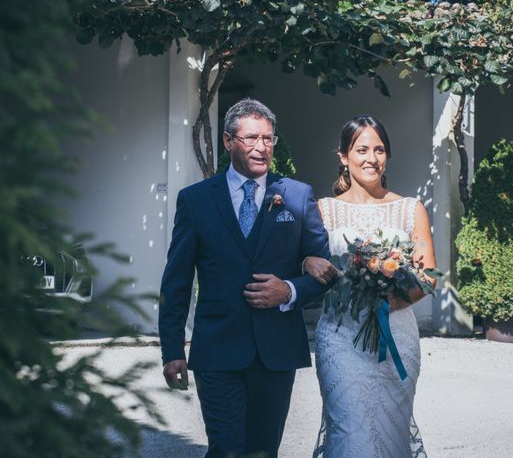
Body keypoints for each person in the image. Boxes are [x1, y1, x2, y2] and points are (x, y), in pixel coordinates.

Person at [158, 98, 330, 458]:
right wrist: (172, 349)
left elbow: (325, 271)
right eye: (251, 138)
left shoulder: (297, 197)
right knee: (227, 450)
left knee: (263, 452)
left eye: (268, 139)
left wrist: (289, 291)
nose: (261, 147)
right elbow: (176, 280)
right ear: (227, 141)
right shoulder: (196, 200)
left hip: (276, 351)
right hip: (218, 350)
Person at [303, 115, 435, 458]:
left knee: (391, 432)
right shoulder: (324, 211)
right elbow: (307, 263)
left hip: (396, 338)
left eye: (379, 149)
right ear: (344, 157)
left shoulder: (409, 209)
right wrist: (307, 264)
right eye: (361, 149)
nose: (371, 158)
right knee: (348, 431)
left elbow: (428, 274)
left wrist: (389, 298)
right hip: (341, 338)